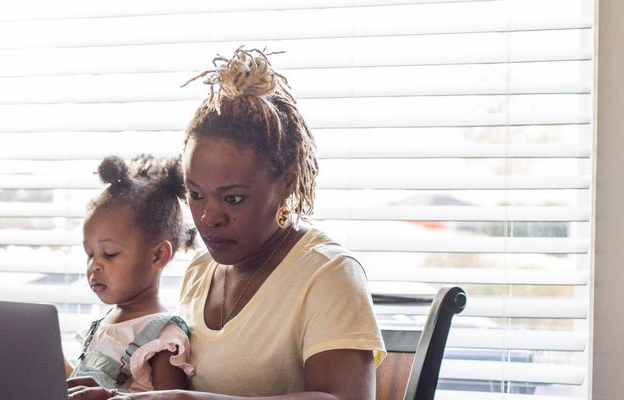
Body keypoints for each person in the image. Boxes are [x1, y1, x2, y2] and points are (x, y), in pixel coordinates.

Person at [68, 48, 385, 400]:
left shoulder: (328, 274)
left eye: (233, 199)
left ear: (287, 183)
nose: (208, 218)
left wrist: (179, 399)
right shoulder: (200, 272)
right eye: (196, 194)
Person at [67, 154, 199, 395]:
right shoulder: (105, 323)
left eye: (109, 254)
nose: (94, 265)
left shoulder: (162, 338)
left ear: (158, 255)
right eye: (89, 254)